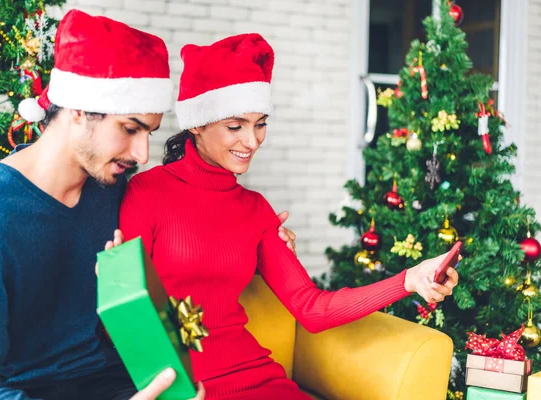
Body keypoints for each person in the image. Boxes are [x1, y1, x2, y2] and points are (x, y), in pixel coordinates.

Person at [0, 11, 299, 400]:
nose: (143, 154)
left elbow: (184, 257)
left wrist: (264, 245)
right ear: (77, 110)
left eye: (148, 132)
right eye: (130, 129)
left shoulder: (112, 189)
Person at [119, 33, 460, 399]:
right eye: (236, 126)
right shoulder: (145, 193)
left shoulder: (255, 209)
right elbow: (125, 316)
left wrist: (408, 279)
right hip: (186, 387)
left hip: (260, 378)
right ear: (198, 123)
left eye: (260, 123)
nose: (252, 141)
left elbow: (311, 308)